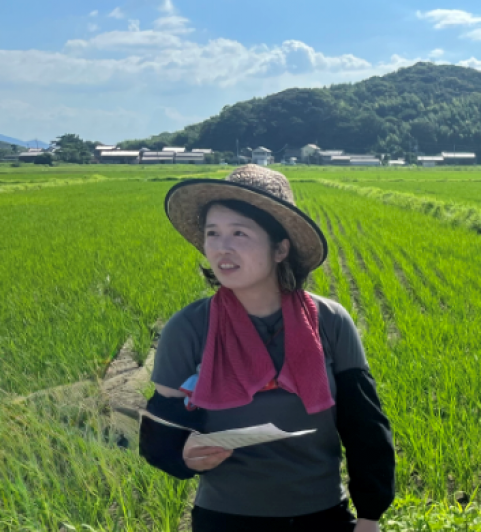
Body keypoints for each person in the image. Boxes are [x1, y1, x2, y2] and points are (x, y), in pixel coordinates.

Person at [139, 165, 395, 532]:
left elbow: (365, 426)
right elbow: (160, 433)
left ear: (280, 248)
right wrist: (183, 454)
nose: (222, 247)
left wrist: (369, 517)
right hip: (224, 519)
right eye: (213, 233)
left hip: (322, 515)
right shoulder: (189, 328)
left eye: (239, 233)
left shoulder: (330, 321)